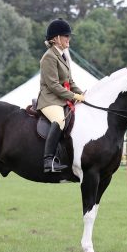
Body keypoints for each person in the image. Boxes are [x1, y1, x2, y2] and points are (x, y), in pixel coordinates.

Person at [37, 18, 85, 173]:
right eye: (66, 36)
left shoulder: (64, 56)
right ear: (56, 39)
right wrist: (73, 96)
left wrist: (83, 94)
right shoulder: (48, 57)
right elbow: (53, 85)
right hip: (49, 99)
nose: (68, 39)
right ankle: (48, 160)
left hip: (61, 98)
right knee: (59, 120)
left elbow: (70, 81)